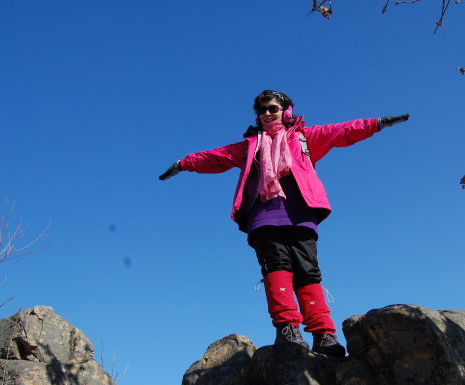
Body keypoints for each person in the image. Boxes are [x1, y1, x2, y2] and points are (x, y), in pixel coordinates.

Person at [159, 89, 408, 357]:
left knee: (308, 271)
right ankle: (288, 329)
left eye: (272, 108)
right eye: (262, 110)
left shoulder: (305, 137)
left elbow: (343, 131)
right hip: (264, 216)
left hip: (301, 212)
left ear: (285, 110)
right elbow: (214, 157)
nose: (266, 114)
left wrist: (378, 123)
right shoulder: (250, 146)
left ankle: (324, 334)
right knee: (276, 267)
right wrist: (182, 163)